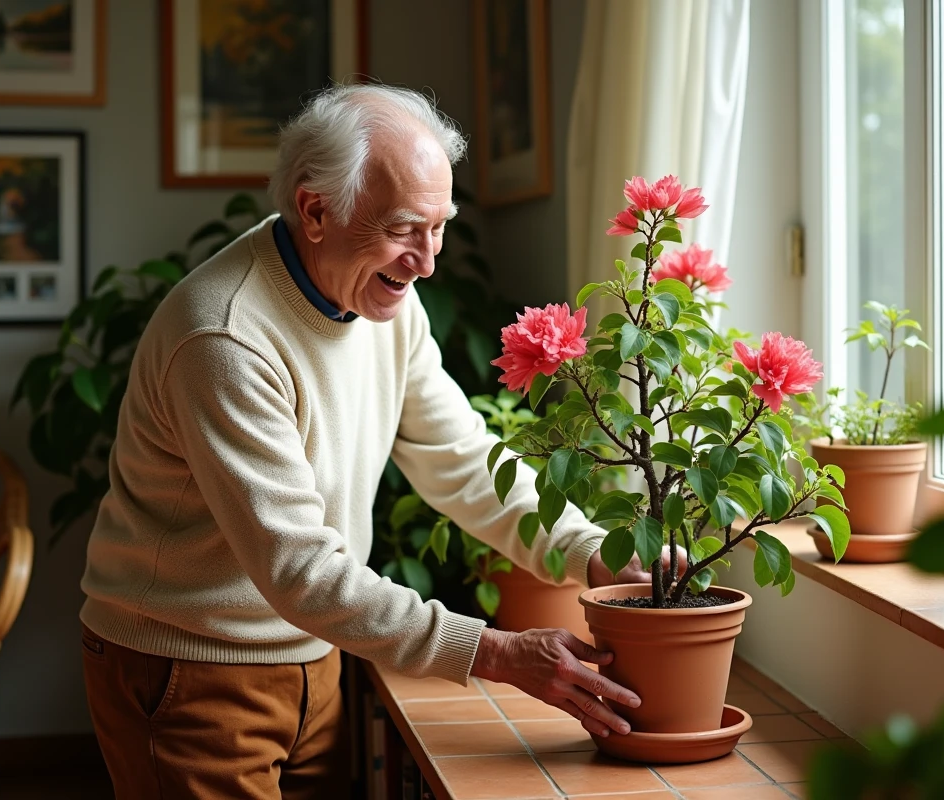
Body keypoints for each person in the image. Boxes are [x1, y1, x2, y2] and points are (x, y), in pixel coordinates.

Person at [78, 83, 676, 800]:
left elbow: (459, 458)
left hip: (314, 655)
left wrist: (593, 555)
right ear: (316, 209)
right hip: (188, 669)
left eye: (439, 227)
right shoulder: (226, 336)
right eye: (403, 230)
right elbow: (300, 567)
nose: (427, 262)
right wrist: (499, 653)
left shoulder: (386, 301)